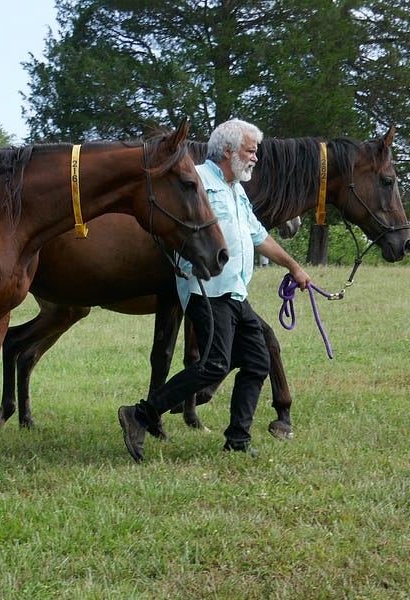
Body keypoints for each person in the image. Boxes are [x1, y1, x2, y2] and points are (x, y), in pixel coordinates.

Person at [118, 118, 311, 460]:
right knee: (215, 365)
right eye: (250, 151)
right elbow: (171, 223)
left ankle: (237, 439)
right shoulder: (197, 181)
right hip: (205, 291)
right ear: (227, 150)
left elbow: (259, 236)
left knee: (257, 360)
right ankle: (140, 415)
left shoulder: (237, 190)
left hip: (236, 292)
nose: (255, 159)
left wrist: (293, 266)